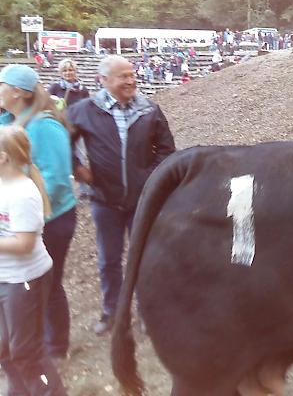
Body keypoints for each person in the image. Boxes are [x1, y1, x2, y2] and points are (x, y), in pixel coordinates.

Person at [66, 55, 176, 335]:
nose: (131, 80)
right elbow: (63, 145)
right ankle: (112, 312)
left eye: (132, 74)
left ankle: (146, 313)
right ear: (103, 80)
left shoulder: (150, 109)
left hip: (143, 200)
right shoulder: (82, 111)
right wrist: (78, 169)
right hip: (104, 200)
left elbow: (166, 150)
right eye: (123, 76)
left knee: (144, 257)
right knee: (109, 260)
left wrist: (147, 177)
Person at [0, 65, 77, 360]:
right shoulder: (8, 121)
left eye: (1, 84)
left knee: (50, 280)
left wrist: (31, 220)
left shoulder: (44, 126)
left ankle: (56, 347)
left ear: (17, 91)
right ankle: (28, 339)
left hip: (50, 218)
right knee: (25, 281)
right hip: (19, 218)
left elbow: (57, 179)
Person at [0, 125, 67, 396]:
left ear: (3, 157)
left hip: (25, 280)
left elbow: (25, 244)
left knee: (27, 351)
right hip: (5, 277)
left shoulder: (23, 193)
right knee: (4, 346)